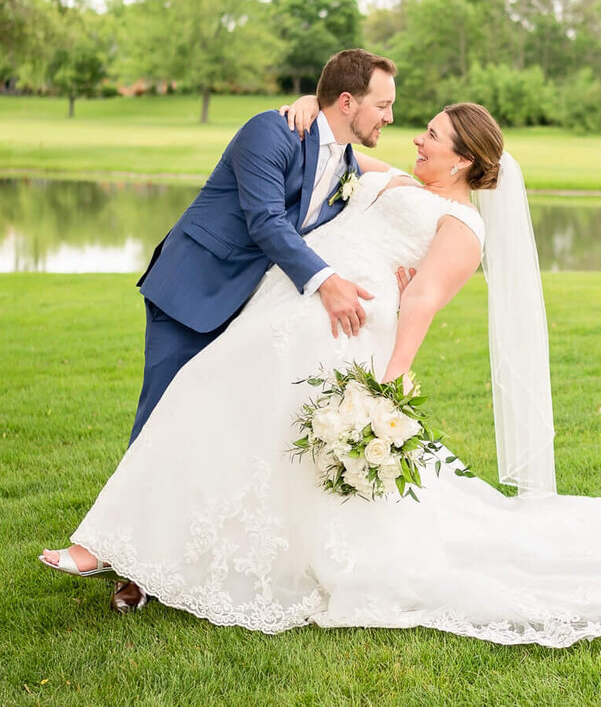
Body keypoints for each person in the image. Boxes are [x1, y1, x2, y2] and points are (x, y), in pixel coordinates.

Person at [41, 102, 601, 646]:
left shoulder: (462, 226)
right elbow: (339, 149)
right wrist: (307, 105)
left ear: (463, 158)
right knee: (222, 410)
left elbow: (425, 301)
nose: (416, 139)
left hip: (342, 323)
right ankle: (143, 548)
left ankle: (131, 548)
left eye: (431, 135)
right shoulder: (396, 180)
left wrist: (389, 385)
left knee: (222, 403)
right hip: (297, 297)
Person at [40, 49, 401, 614]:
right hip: (194, 291)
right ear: (348, 101)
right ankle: (130, 566)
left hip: (253, 312)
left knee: (217, 433)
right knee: (162, 419)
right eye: (383, 105)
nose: (390, 118)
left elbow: (394, 181)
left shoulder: (349, 165)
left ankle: (184, 554)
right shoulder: (270, 132)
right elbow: (265, 221)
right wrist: (325, 280)